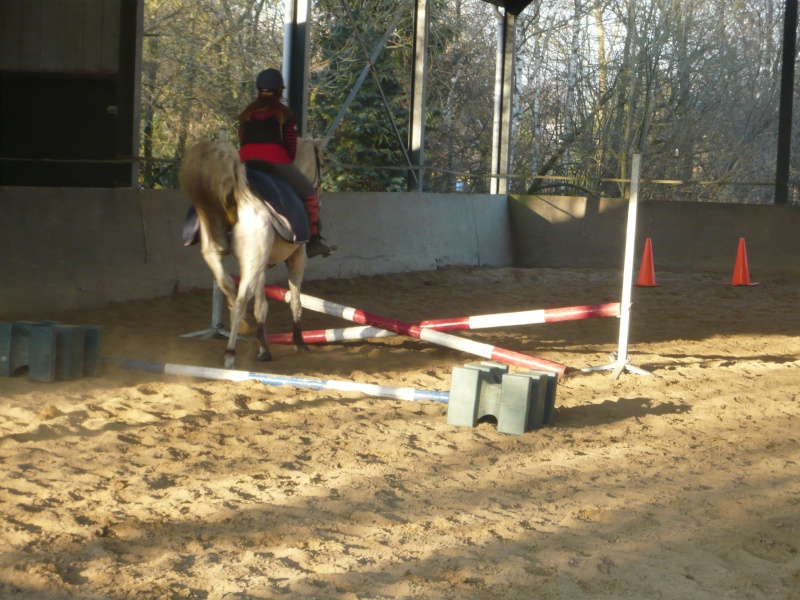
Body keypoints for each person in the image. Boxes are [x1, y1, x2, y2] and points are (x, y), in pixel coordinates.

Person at [238, 68, 334, 258]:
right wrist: (285, 163)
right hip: (274, 160)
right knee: (309, 193)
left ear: (259, 89)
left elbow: (242, 139)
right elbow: (290, 145)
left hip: (245, 160)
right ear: (279, 90)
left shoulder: (246, 113)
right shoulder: (284, 113)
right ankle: (314, 240)